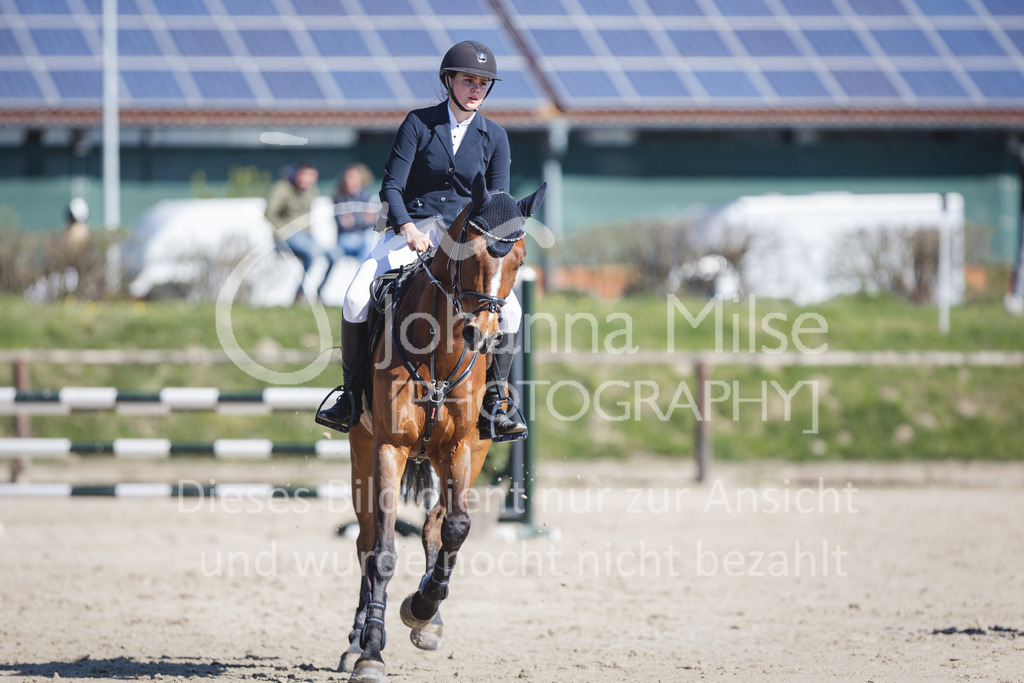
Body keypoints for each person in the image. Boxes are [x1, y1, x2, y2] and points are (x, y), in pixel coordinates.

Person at [316, 40, 527, 441]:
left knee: (511, 314)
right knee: (356, 296)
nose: (476, 88)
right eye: (469, 80)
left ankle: (495, 402)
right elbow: (391, 187)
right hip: (409, 231)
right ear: (449, 81)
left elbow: (497, 203)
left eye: (483, 82)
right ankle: (351, 394)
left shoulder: (495, 137)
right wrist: (408, 229)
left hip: (464, 243)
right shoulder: (418, 123)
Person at [264, 160, 340, 302]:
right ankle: (299, 295)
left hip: (307, 236)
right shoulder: (282, 188)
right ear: (296, 173)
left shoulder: (311, 191)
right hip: (286, 235)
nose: (308, 179)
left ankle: (319, 294)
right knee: (313, 253)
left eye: (312, 176)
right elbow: (269, 213)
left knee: (335, 255)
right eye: (305, 175)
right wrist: (284, 231)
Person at [333, 163, 378, 263]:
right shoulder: (340, 198)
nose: (347, 180)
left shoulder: (368, 196)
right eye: (346, 177)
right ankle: (364, 272)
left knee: (369, 238)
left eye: (351, 177)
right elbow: (345, 225)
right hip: (345, 239)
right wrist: (362, 219)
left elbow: (374, 222)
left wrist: (357, 220)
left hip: (364, 236)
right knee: (367, 242)